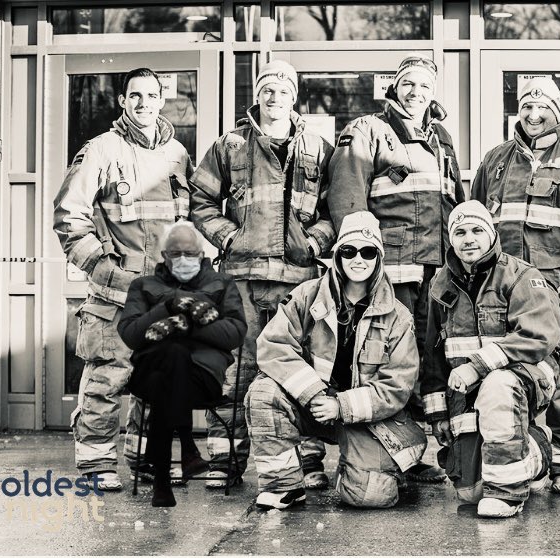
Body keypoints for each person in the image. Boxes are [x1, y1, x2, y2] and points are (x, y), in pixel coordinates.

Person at [189, 60, 335, 489]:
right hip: (243, 276)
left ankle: (308, 461)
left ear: (295, 96)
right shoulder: (229, 144)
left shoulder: (319, 148)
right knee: (237, 368)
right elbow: (200, 202)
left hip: (298, 278)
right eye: (267, 89)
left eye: (283, 90)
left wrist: (313, 244)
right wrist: (229, 238)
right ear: (258, 94)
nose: (275, 98)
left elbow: (333, 211)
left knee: (303, 368)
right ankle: (225, 459)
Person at [470, 76, 560, 494]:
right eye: (526, 106)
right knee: (510, 375)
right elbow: (477, 219)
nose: (533, 114)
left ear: (558, 110)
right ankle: (521, 456)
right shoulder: (495, 160)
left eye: (543, 107)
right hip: (505, 296)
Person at [53, 67, 193, 490]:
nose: (144, 103)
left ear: (161, 100)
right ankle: (97, 466)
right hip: (116, 296)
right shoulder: (100, 150)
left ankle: (147, 461)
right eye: (135, 95)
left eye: (151, 95)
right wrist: (101, 268)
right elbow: (68, 216)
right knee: (106, 380)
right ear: (122, 101)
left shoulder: (177, 156)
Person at [327, 54, 464, 483]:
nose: (415, 92)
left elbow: (453, 201)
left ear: (433, 93)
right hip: (391, 271)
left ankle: (415, 454)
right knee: (386, 363)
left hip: (437, 274)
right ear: (394, 88)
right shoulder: (368, 130)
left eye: (424, 86)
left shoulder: (440, 136)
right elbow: (347, 203)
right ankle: (388, 457)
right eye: (408, 84)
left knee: (430, 361)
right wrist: (359, 267)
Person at [245, 211, 426, 510]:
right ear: (337, 255)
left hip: (364, 418)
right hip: (313, 404)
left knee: (369, 497)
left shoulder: (399, 317)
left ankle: (374, 469)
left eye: (368, 252)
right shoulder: (307, 295)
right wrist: (315, 394)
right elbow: (273, 345)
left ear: (378, 258)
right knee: (263, 393)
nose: (358, 259)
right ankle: (284, 487)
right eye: (349, 250)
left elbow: (397, 387)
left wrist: (340, 406)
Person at [421, 200, 560, 518]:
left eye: (476, 230)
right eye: (460, 232)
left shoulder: (520, 275)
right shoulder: (441, 286)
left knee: (497, 386)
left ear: (491, 234)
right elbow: (432, 356)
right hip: (468, 393)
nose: (468, 238)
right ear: (451, 238)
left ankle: (508, 495)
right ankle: (532, 448)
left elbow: (539, 335)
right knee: (469, 492)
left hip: (523, 376)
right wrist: (438, 416)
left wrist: (477, 366)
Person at [117, 222, 247, 507]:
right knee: (171, 356)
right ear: (164, 255)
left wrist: (184, 325)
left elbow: (236, 333)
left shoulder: (221, 284)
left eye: (190, 253)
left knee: (172, 354)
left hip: (202, 379)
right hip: (149, 375)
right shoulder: (143, 286)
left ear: (202, 255)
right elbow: (130, 335)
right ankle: (187, 449)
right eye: (176, 254)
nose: (184, 260)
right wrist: (167, 307)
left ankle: (163, 477)